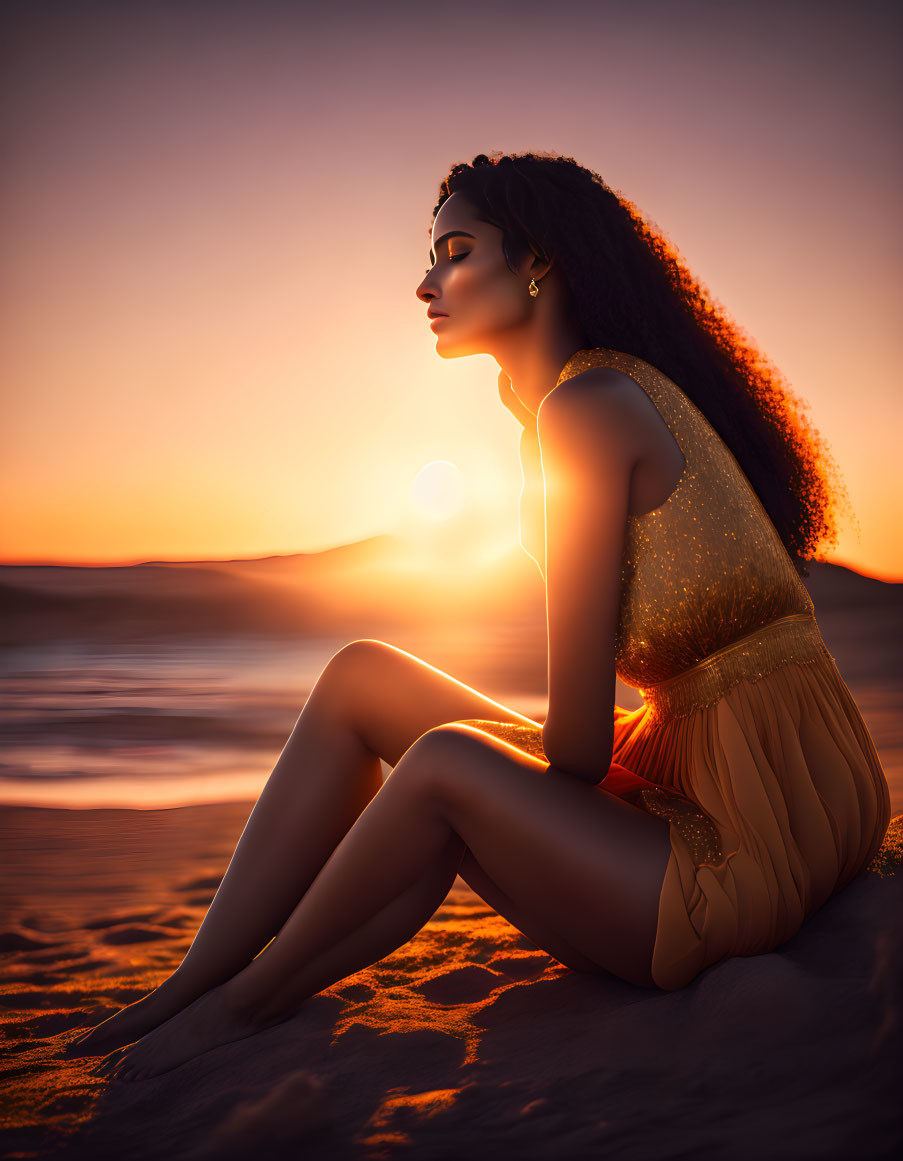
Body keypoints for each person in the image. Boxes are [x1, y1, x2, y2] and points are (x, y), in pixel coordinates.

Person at [65, 150, 891, 1081]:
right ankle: (190, 984)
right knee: (363, 677)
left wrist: (479, 754)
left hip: (746, 851)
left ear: (536, 260)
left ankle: (236, 1006)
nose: (426, 282)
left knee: (446, 766)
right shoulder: (604, 389)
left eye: (455, 252)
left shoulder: (587, 408)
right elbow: (583, 749)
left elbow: (576, 753)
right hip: (788, 787)